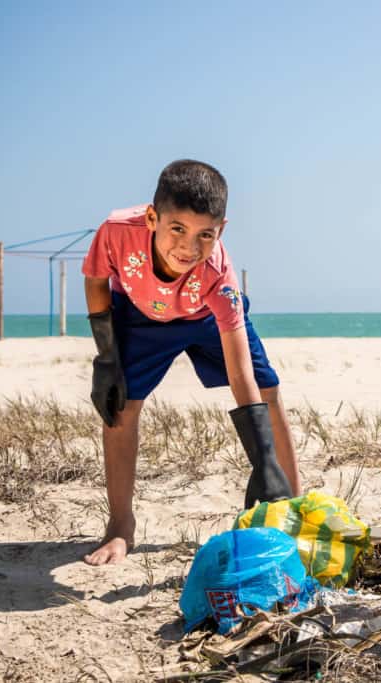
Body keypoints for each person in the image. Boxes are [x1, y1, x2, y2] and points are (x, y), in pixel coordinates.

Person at [80, 159, 301, 565]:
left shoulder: (218, 273)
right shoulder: (116, 232)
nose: (189, 247)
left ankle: (289, 502)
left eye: (206, 235)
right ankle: (119, 526)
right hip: (140, 316)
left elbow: (240, 372)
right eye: (177, 229)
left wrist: (263, 461)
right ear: (152, 218)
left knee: (267, 391)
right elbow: (96, 279)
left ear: (222, 230)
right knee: (120, 407)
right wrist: (107, 356)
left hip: (205, 318)